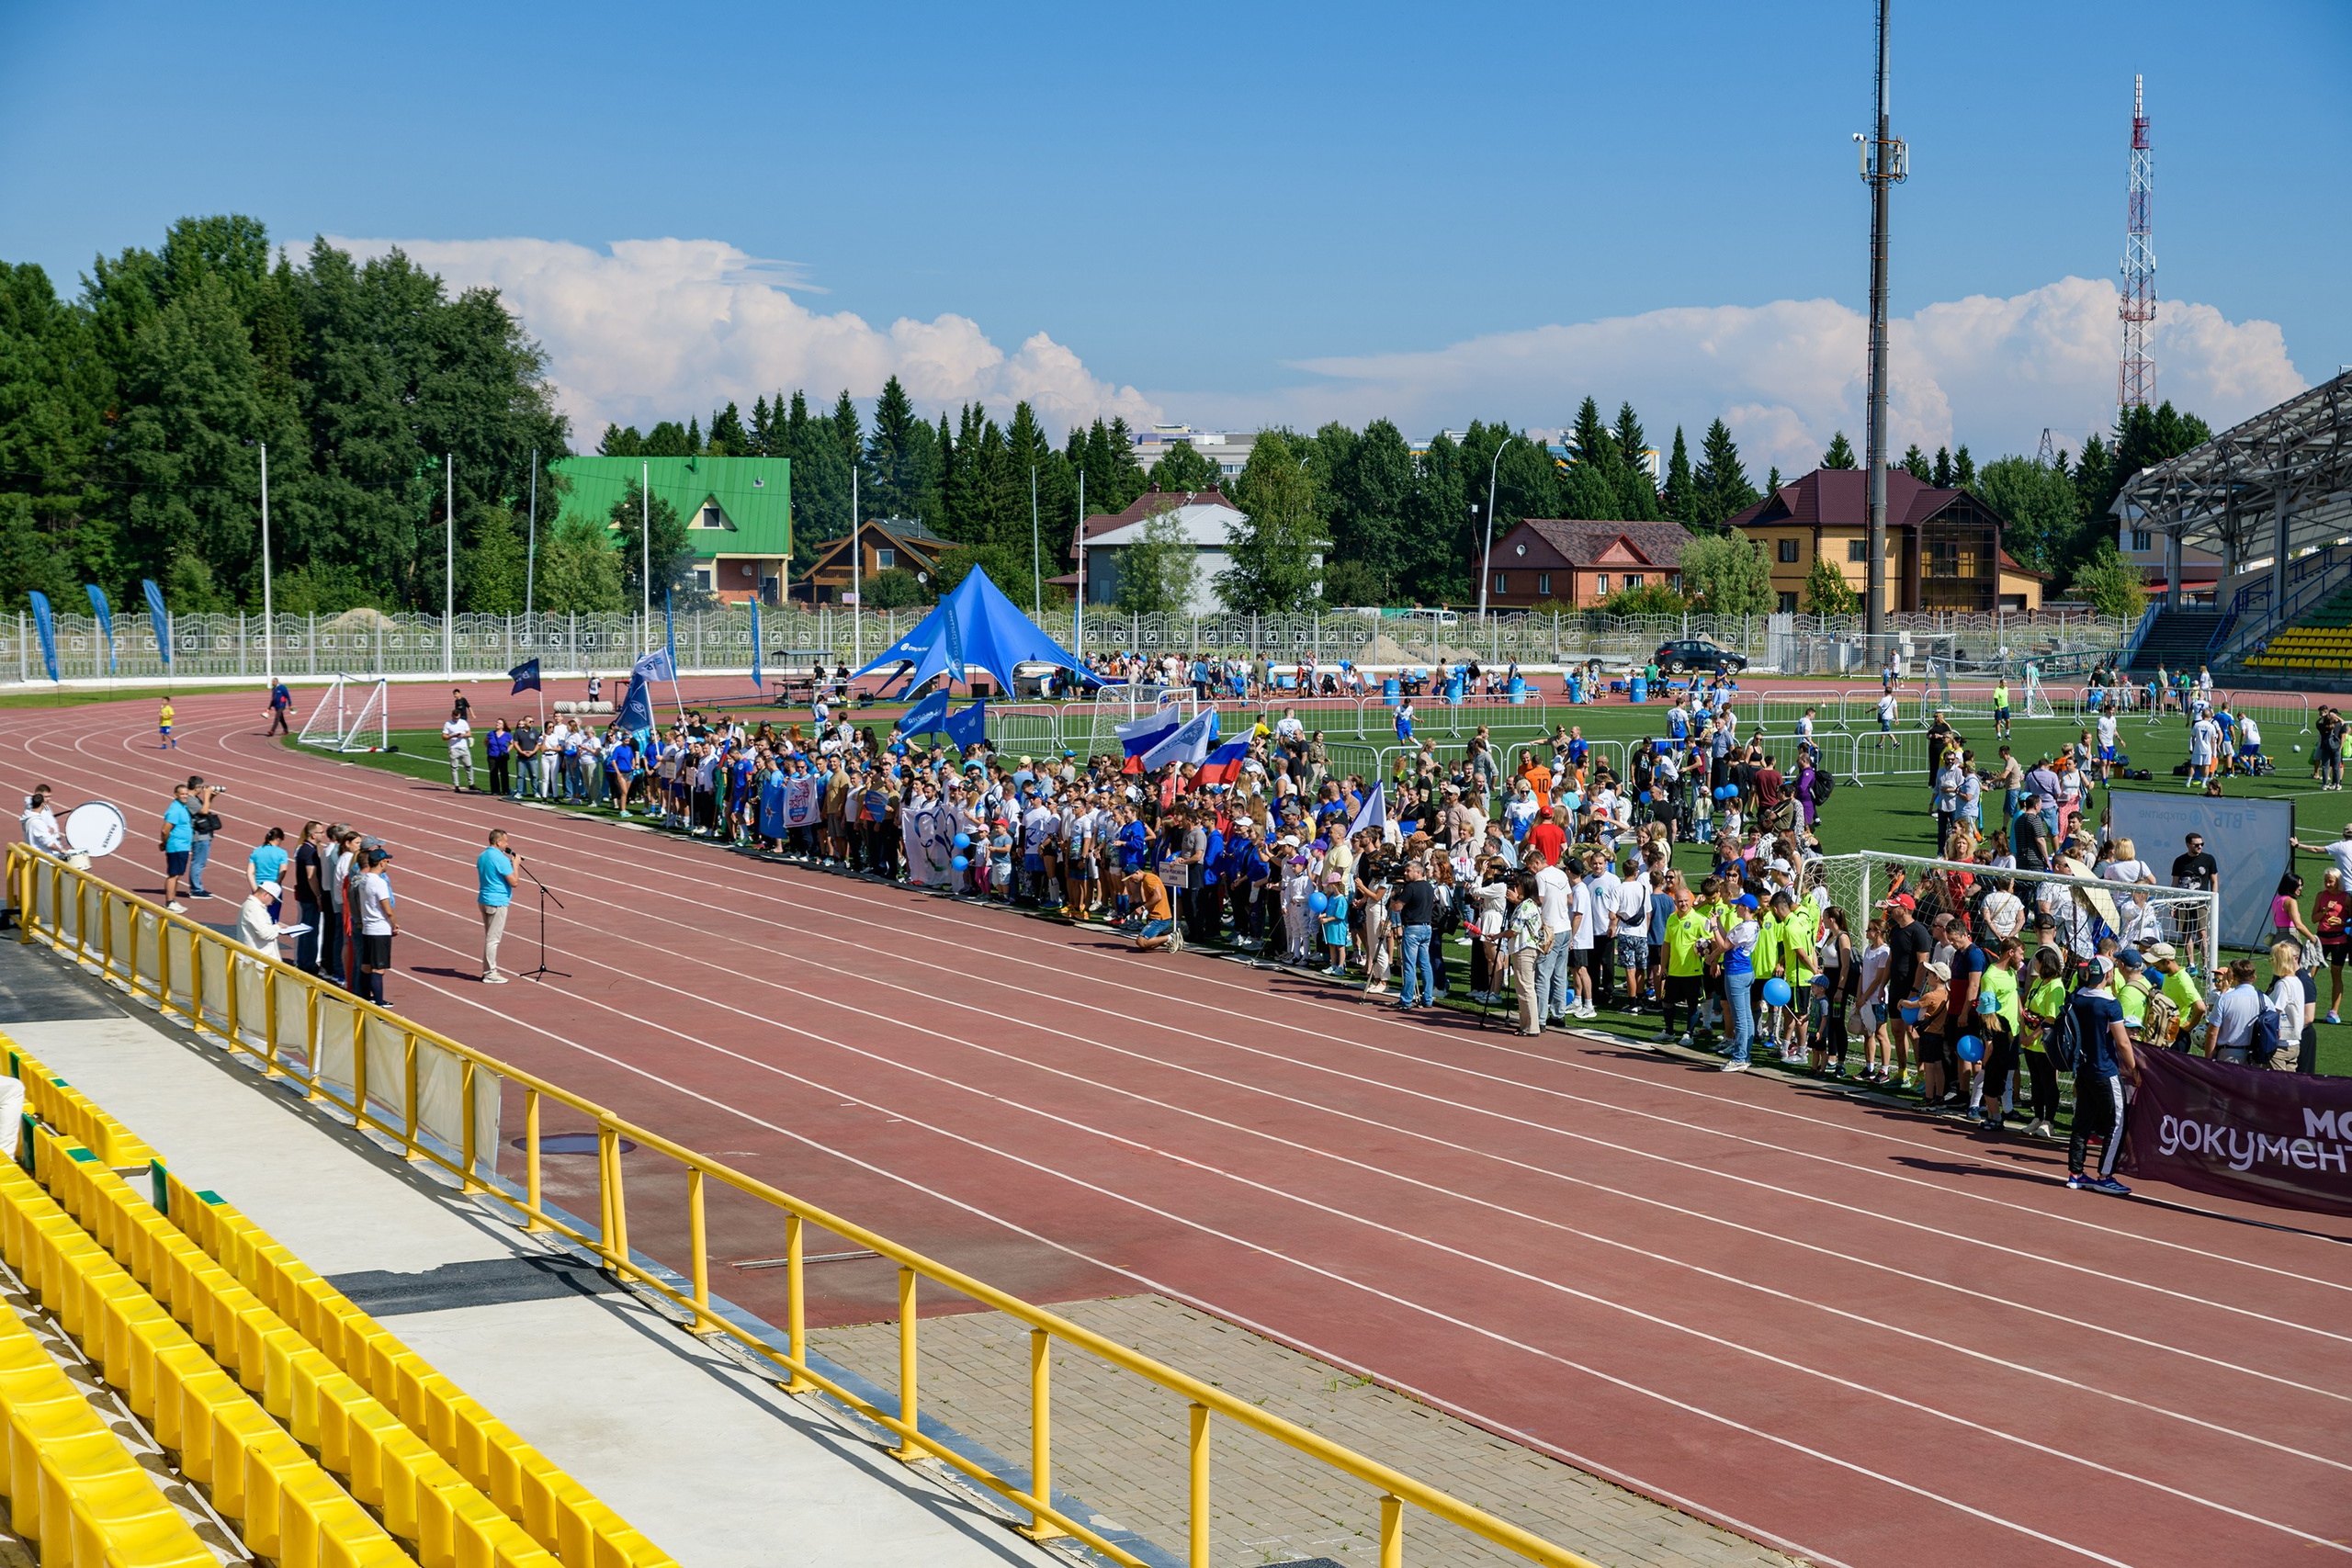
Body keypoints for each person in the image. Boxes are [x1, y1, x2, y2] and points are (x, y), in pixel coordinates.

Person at [2064, 956, 2139, 1196]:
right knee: (2117, 1123)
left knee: (2082, 1123)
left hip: (2083, 1069)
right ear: (2108, 976)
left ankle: (2075, 1173)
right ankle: (2105, 1175)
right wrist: (2134, 1070)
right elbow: (2123, 1043)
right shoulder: (2110, 1003)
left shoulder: (2076, 998)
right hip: (2105, 1070)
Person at [354, 844, 398, 1005]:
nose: (387, 864)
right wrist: (394, 925)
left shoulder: (364, 880)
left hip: (367, 928)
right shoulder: (379, 883)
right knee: (378, 969)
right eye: (386, 861)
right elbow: (388, 909)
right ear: (380, 863)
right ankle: (378, 1004)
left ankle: (365, 1000)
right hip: (379, 929)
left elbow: (360, 905)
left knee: (366, 966)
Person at [477, 829, 516, 984]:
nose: (507, 844)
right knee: (493, 939)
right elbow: (514, 882)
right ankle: (490, 973)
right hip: (497, 901)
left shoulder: (483, 855)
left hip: (484, 899)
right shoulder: (500, 858)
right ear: (498, 842)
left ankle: (488, 970)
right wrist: (516, 865)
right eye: (505, 841)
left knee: (489, 937)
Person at [290, 820, 326, 974]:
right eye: (320, 832)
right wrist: (318, 895)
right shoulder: (309, 852)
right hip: (310, 897)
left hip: (304, 895)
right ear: (313, 834)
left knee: (305, 929)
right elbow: (311, 876)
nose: (323, 835)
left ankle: (303, 961)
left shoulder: (303, 849)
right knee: (311, 931)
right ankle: (309, 964)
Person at [184, 776, 223, 898]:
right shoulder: (189, 800)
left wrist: (211, 797)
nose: (203, 789)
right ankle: (196, 889)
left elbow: (205, 808)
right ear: (197, 787)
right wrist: (206, 796)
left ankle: (197, 887)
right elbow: (204, 812)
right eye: (201, 787)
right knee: (198, 863)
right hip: (199, 836)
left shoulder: (194, 798)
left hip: (204, 834)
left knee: (201, 862)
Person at [158, 784, 195, 912]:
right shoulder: (174, 810)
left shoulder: (182, 807)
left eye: (186, 794)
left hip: (182, 846)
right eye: (182, 794)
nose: (185, 796)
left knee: (177, 874)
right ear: (175, 795)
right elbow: (165, 830)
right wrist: (164, 843)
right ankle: (169, 902)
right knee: (173, 875)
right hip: (176, 846)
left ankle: (172, 900)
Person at [1127, 868, 1178, 953]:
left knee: (1140, 942)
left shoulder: (1149, 879)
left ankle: (1172, 937)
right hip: (1156, 917)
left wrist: (1143, 908)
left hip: (1160, 917)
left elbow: (1158, 896)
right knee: (1145, 946)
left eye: (1131, 878)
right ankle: (1165, 938)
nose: (1131, 881)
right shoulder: (1147, 879)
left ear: (1137, 872)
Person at [236, 881, 290, 959]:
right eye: (273, 900)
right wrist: (278, 928)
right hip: (258, 963)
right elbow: (265, 934)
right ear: (266, 894)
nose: (272, 903)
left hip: (257, 961)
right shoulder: (254, 908)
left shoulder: (253, 906)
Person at [19, 785, 62, 856]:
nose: (48, 799)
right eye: (45, 797)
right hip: (44, 853)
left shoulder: (45, 807)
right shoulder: (35, 810)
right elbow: (40, 830)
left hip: (50, 849)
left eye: (49, 796)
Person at [444, 708, 477, 790]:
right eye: (455, 718)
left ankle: (471, 784)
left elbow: (469, 733)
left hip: (464, 747)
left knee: (469, 766)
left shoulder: (463, 722)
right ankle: (456, 785)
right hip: (453, 748)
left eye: (458, 718)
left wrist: (463, 735)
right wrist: (453, 736)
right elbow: (444, 737)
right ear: (452, 716)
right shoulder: (448, 724)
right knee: (454, 767)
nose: (456, 720)